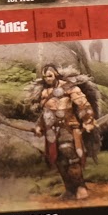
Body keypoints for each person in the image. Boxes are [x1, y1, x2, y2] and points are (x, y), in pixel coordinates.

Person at [28, 64, 98, 199]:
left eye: (50, 76)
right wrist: (39, 126)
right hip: (52, 131)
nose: (48, 79)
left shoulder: (70, 87)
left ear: (56, 74)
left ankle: (81, 188)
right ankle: (70, 190)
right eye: (45, 77)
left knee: (70, 154)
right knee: (59, 161)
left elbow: (83, 105)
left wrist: (88, 121)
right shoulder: (45, 92)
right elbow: (45, 113)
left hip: (69, 127)